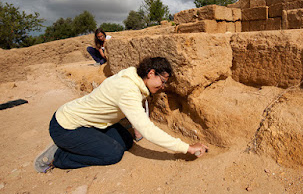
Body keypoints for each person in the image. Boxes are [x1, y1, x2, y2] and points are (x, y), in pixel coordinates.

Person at [34, 57, 208, 173]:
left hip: (89, 124)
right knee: (112, 154)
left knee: (126, 140)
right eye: (162, 82)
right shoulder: (128, 89)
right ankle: (58, 156)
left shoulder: (134, 78)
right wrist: (187, 147)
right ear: (150, 73)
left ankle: (76, 144)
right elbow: (147, 129)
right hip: (66, 126)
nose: (163, 87)